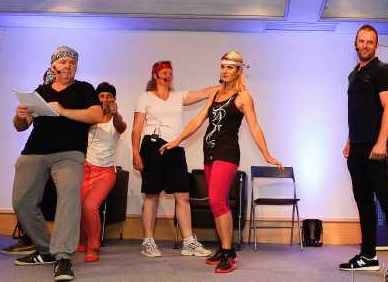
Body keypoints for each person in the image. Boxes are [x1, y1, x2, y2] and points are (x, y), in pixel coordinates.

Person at [160, 52, 282, 274]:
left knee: (216, 201)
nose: (225, 71)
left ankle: (228, 252)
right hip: (209, 152)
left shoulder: (243, 96)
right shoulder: (216, 93)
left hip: (227, 152)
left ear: (239, 70)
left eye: (229, 67)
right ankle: (224, 249)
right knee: (220, 202)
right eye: (223, 66)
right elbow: (199, 120)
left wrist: (266, 153)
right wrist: (177, 140)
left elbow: (254, 126)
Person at [12, 46, 103, 282]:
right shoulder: (40, 91)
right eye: (63, 62)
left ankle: (63, 257)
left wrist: (63, 110)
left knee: (68, 200)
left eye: (72, 62)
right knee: (22, 202)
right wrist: (20, 115)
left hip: (69, 153)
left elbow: (96, 116)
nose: (68, 66)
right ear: (53, 66)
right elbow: (22, 126)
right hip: (34, 151)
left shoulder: (84, 89)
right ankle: (45, 250)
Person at [340, 25, 388, 282]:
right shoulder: (354, 74)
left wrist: (381, 143)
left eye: (370, 42)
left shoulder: (382, 71)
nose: (365, 45)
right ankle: (368, 256)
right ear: (355, 44)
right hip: (357, 147)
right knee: (364, 202)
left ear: (376, 45)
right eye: (362, 41)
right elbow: (358, 112)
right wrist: (349, 141)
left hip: (376, 147)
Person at [131, 61, 217, 259]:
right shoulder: (145, 97)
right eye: (164, 72)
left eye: (170, 73)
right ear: (155, 75)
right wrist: (136, 153)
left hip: (176, 148)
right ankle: (148, 242)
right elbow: (136, 128)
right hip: (153, 147)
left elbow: (205, 93)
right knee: (152, 194)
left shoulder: (179, 96)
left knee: (183, 195)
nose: (168, 76)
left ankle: (189, 242)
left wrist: (229, 85)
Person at [77, 82, 127, 262]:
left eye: (109, 96)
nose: (105, 99)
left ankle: (93, 247)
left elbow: (121, 126)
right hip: (85, 170)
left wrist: (115, 114)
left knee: (90, 206)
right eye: (101, 96)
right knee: (79, 207)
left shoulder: (116, 120)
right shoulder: (90, 118)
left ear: (114, 99)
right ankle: (81, 240)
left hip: (105, 173)